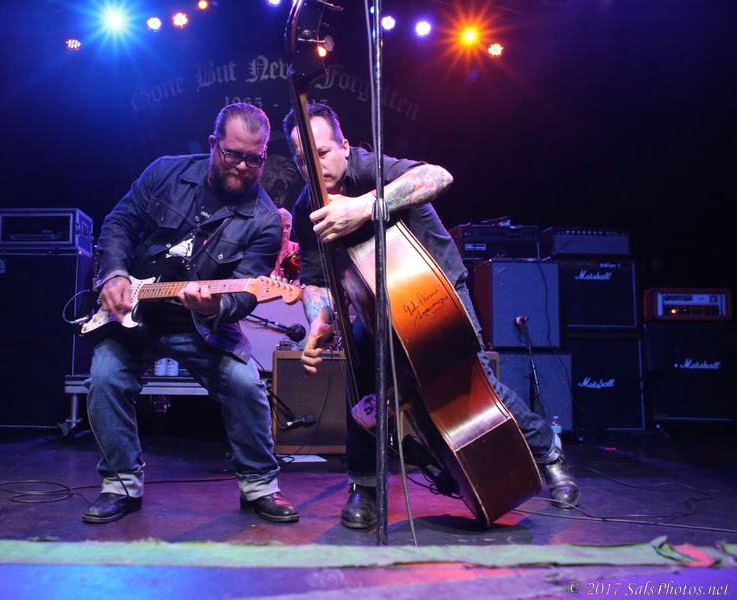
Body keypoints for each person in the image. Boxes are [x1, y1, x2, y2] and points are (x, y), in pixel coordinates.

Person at [283, 104, 580, 530]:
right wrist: (318, 321)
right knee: (361, 386)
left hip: (434, 286)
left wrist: (367, 206)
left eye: (323, 153)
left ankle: (547, 450)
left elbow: (437, 176)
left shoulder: (369, 169)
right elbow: (315, 282)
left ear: (345, 147)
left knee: (472, 385)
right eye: (302, 159)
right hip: (374, 306)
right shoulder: (305, 208)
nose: (314, 167)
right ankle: (364, 485)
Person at [83, 103, 299, 525]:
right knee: (104, 378)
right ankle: (121, 483)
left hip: (202, 324)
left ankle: (259, 485)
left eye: (254, 159)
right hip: (135, 314)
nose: (242, 167)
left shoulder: (265, 220)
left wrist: (216, 305)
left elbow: (247, 292)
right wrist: (115, 274)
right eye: (232, 154)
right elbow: (119, 223)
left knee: (245, 384)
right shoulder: (165, 172)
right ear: (214, 143)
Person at [272, 207, 300, 280]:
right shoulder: (263, 249)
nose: (285, 231)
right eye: (282, 227)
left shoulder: (298, 249)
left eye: (288, 227)